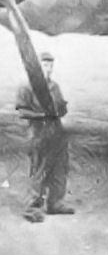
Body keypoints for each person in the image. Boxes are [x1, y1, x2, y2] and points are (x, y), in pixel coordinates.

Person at [15, 51, 73, 222]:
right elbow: (22, 110)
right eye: (45, 65)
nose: (48, 68)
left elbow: (61, 109)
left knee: (59, 168)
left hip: (56, 132)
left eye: (50, 65)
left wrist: (61, 109)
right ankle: (33, 207)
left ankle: (55, 203)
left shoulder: (54, 87)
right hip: (38, 132)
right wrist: (42, 115)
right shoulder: (26, 87)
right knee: (40, 168)